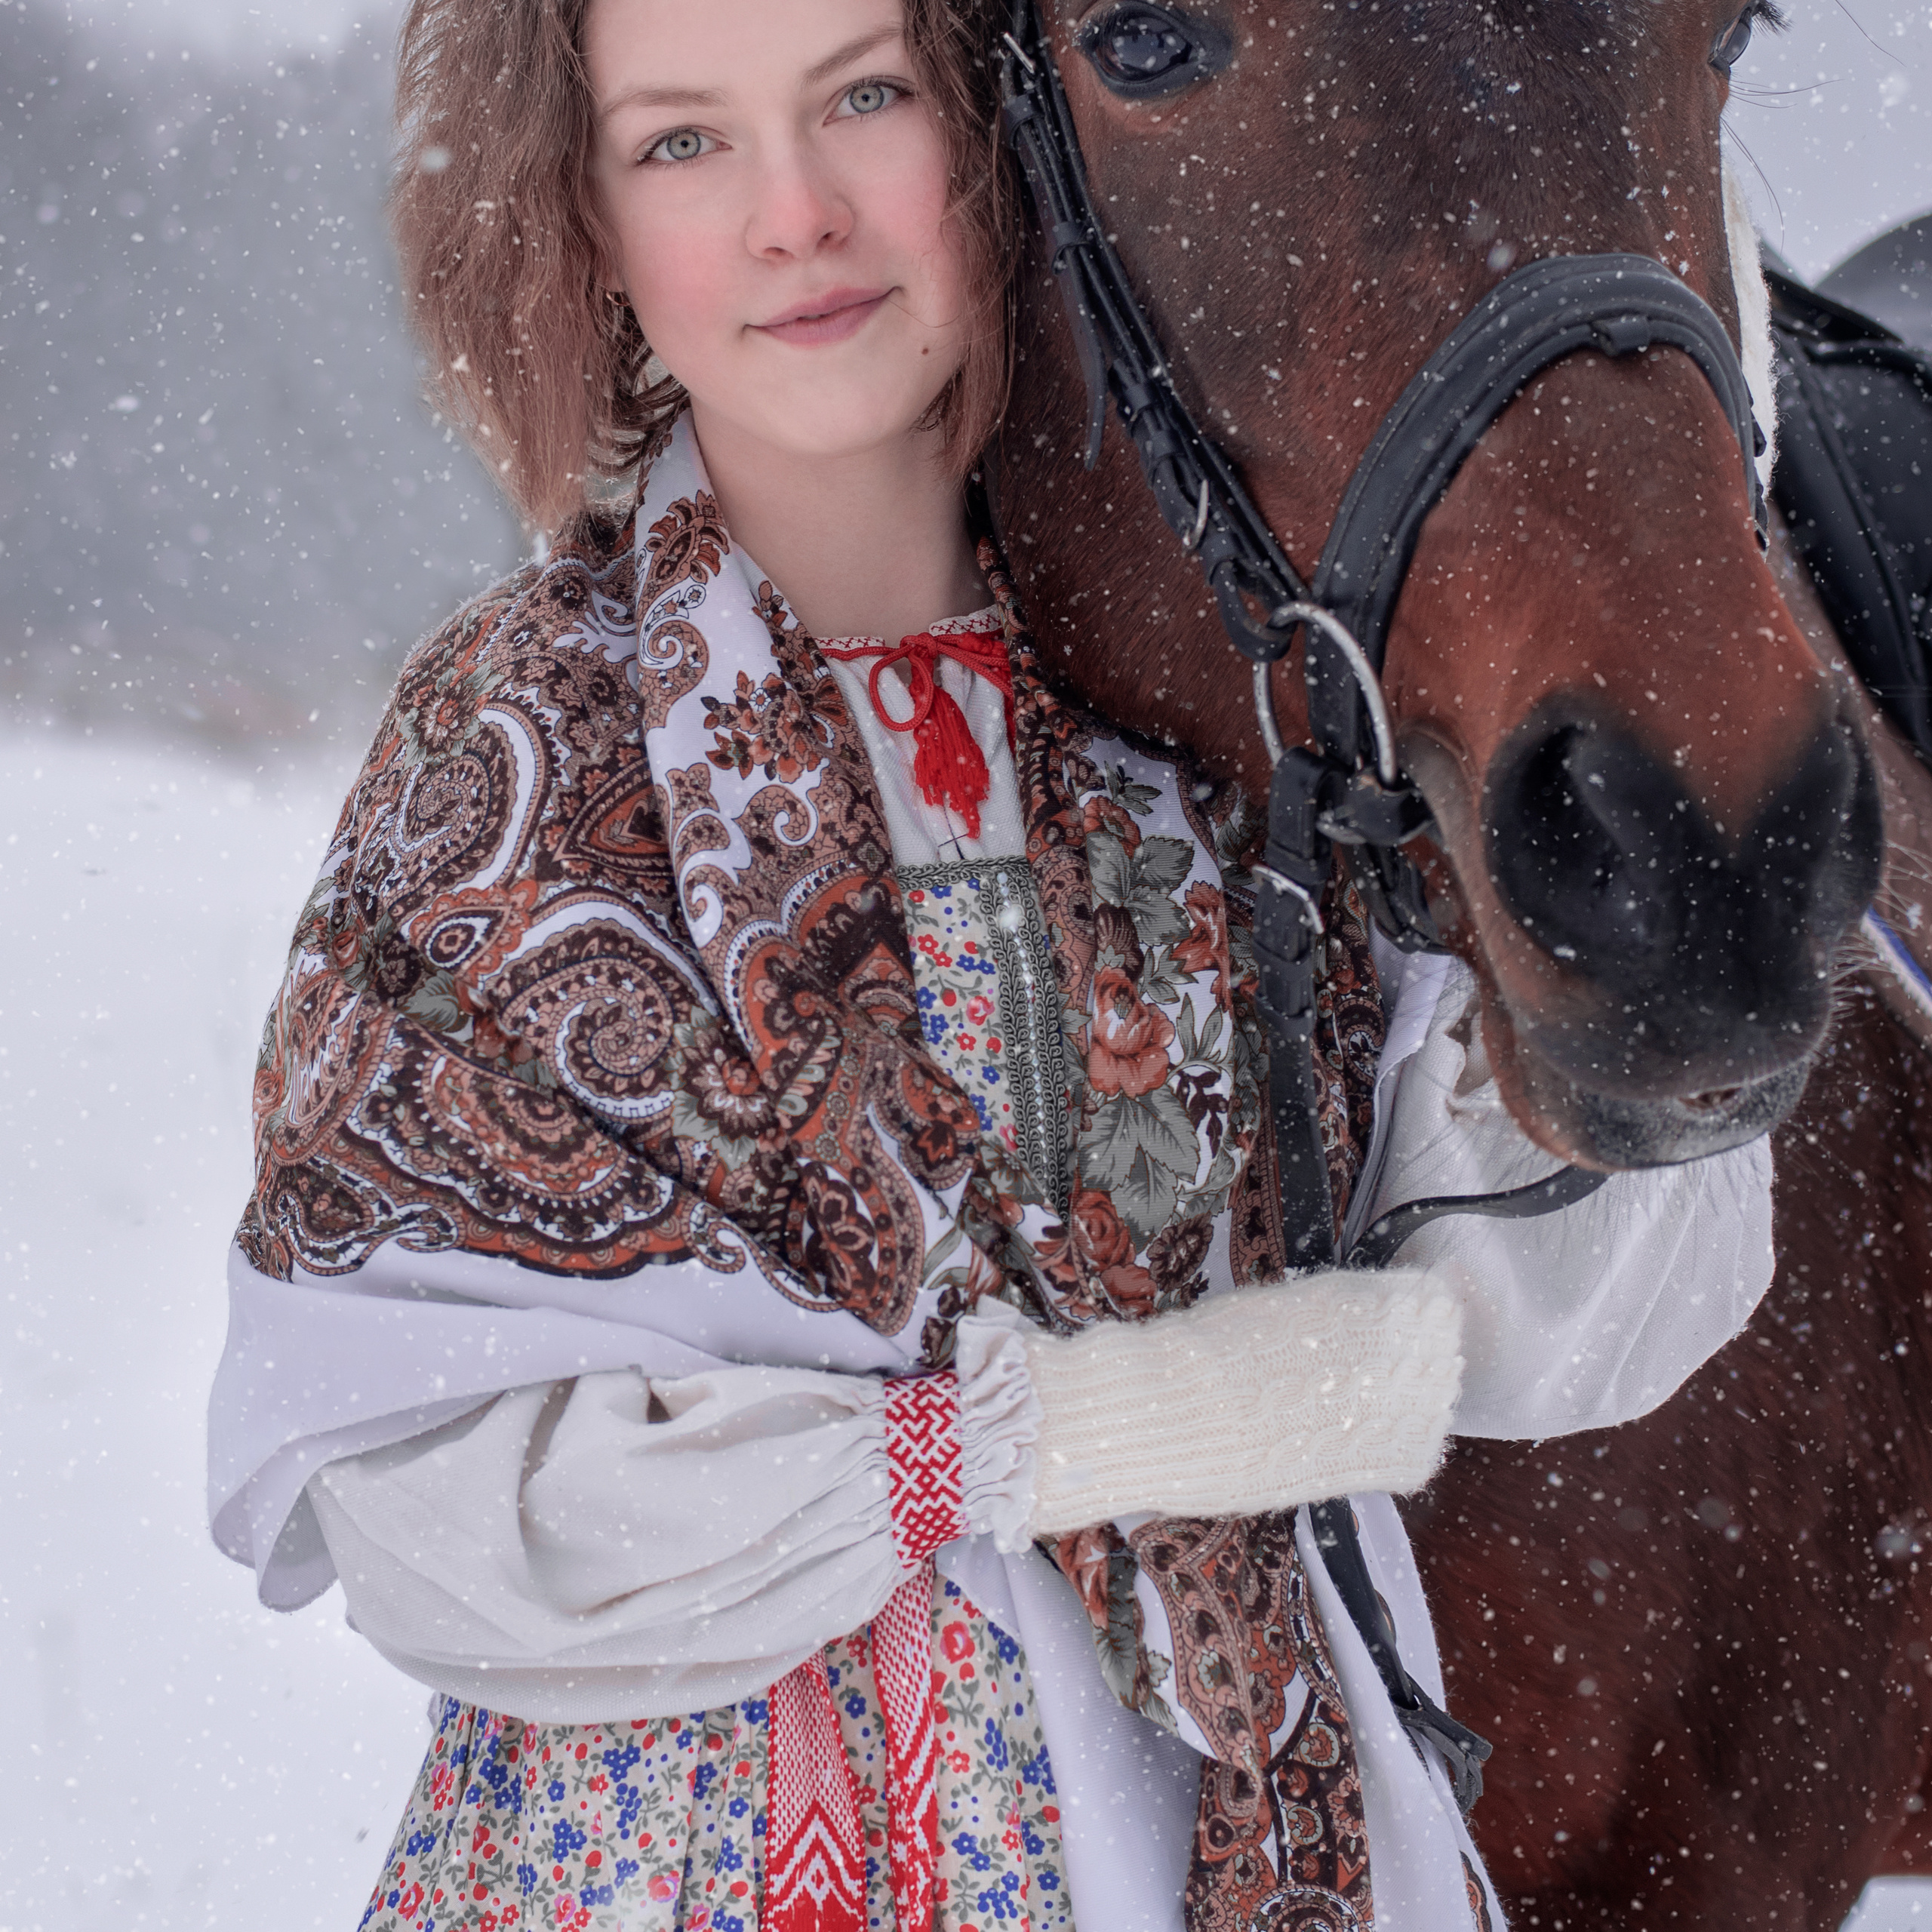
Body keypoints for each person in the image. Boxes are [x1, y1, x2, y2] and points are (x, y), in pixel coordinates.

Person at [204, 0, 1777, 1925]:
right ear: (585, 224)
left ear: (987, 145)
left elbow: (1543, 1283)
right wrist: (1055, 1437)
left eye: (861, 97)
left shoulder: (1195, 762)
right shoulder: (519, 754)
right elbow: (431, 1499)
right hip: (697, 1863)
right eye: (682, 142)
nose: (793, 211)